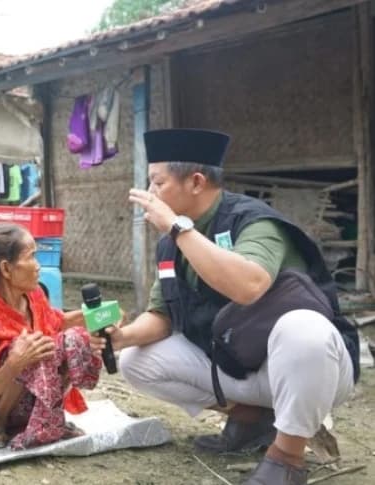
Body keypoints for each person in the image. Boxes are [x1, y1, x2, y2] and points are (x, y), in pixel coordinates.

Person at [101, 129, 359, 485]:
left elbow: (248, 287)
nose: (151, 193)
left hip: (310, 369)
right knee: (136, 360)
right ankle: (251, 418)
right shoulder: (171, 245)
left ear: (196, 182)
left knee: (303, 329)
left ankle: (287, 457)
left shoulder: (253, 222)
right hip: (238, 363)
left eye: (158, 183)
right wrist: (121, 337)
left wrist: (177, 228)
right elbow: (163, 314)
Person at [0, 223, 103, 450]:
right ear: (6, 269)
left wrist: (100, 316)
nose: (38, 266)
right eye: (32, 257)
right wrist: (14, 364)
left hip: (36, 395)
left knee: (74, 338)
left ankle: (49, 418)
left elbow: (57, 322)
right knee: (27, 345)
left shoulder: (34, 295)